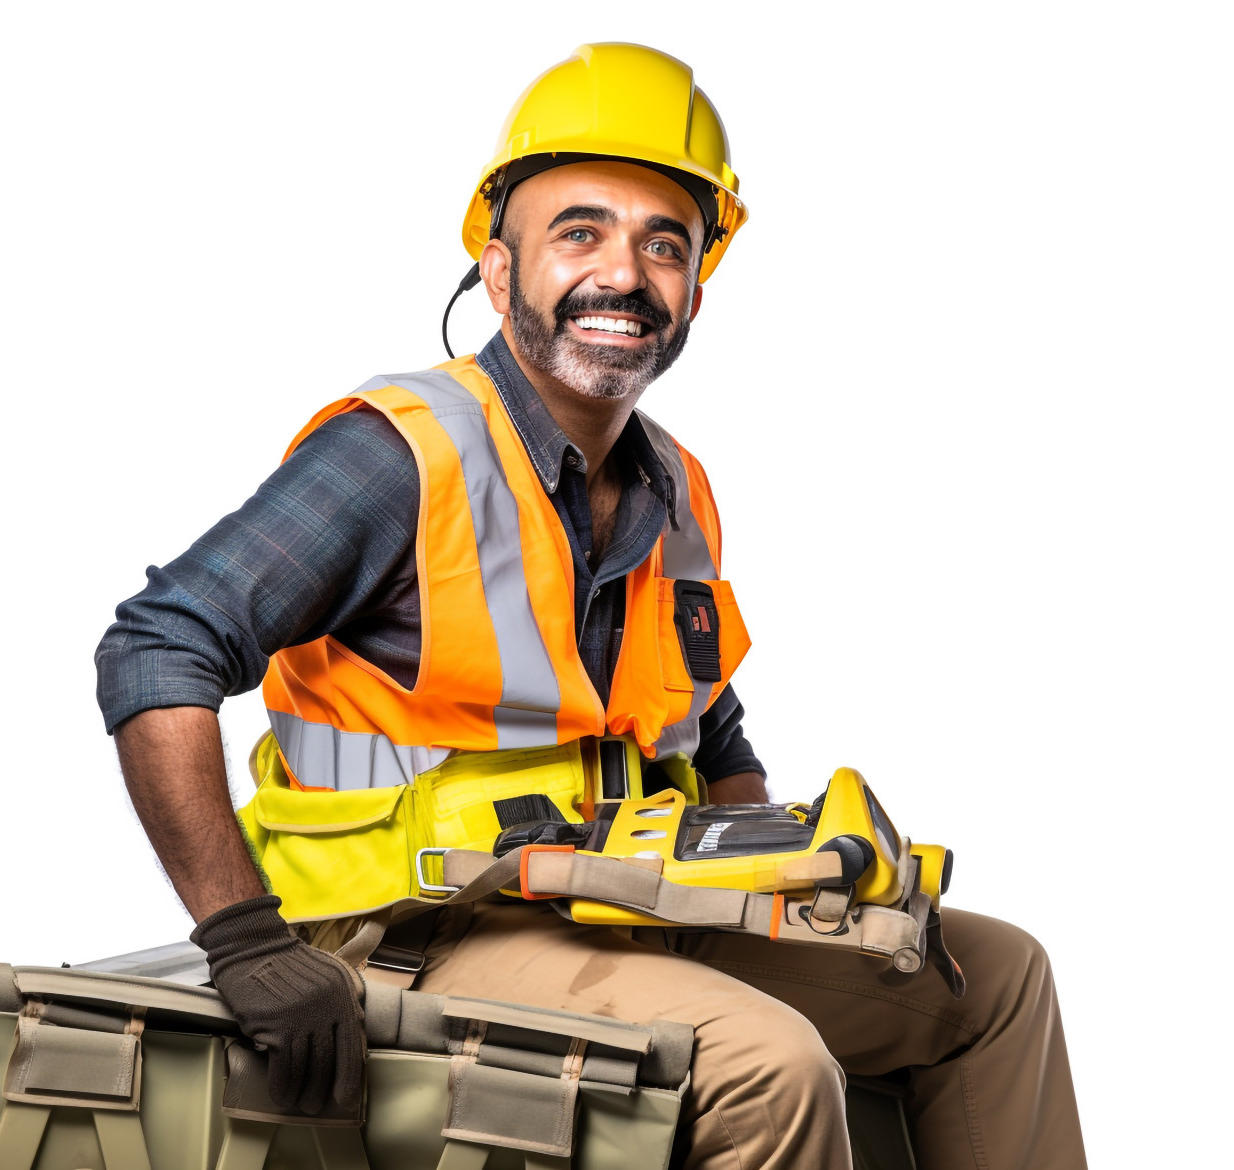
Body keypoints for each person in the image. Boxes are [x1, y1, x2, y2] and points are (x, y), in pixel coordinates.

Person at [96, 42, 1086, 1169]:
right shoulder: (400, 455)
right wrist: (244, 944)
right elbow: (156, 648)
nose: (624, 272)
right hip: (417, 929)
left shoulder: (675, 487)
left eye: (663, 244)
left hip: (623, 908)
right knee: (767, 1062)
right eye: (580, 232)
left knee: (993, 978)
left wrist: (782, 881)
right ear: (497, 266)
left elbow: (705, 721)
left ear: (695, 288)